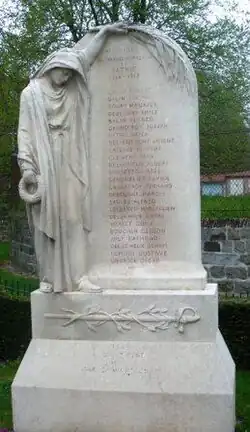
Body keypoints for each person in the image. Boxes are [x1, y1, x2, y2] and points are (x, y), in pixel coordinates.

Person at [17, 22, 127, 293]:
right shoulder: (30, 95)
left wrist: (104, 34)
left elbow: (85, 58)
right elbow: (25, 132)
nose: (66, 78)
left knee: (74, 218)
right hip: (44, 162)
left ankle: (78, 277)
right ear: (51, 67)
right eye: (63, 72)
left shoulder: (70, 88)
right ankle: (49, 277)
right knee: (46, 221)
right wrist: (27, 167)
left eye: (69, 73)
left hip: (70, 159)